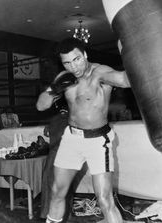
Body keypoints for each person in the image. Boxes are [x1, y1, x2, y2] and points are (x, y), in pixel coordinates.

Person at [36, 38, 130, 223]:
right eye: (67, 62)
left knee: (104, 199)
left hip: (98, 141)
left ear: (85, 55)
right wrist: (55, 90)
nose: (74, 67)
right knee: (57, 192)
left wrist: (131, 54)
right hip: (71, 139)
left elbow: (124, 80)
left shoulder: (100, 73)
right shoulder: (64, 77)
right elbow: (40, 105)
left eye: (77, 59)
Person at [39, 97, 69, 219]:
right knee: (65, 186)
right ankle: (65, 214)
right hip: (66, 155)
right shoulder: (72, 119)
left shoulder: (53, 120)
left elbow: (48, 134)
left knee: (48, 183)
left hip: (53, 155)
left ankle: (46, 213)